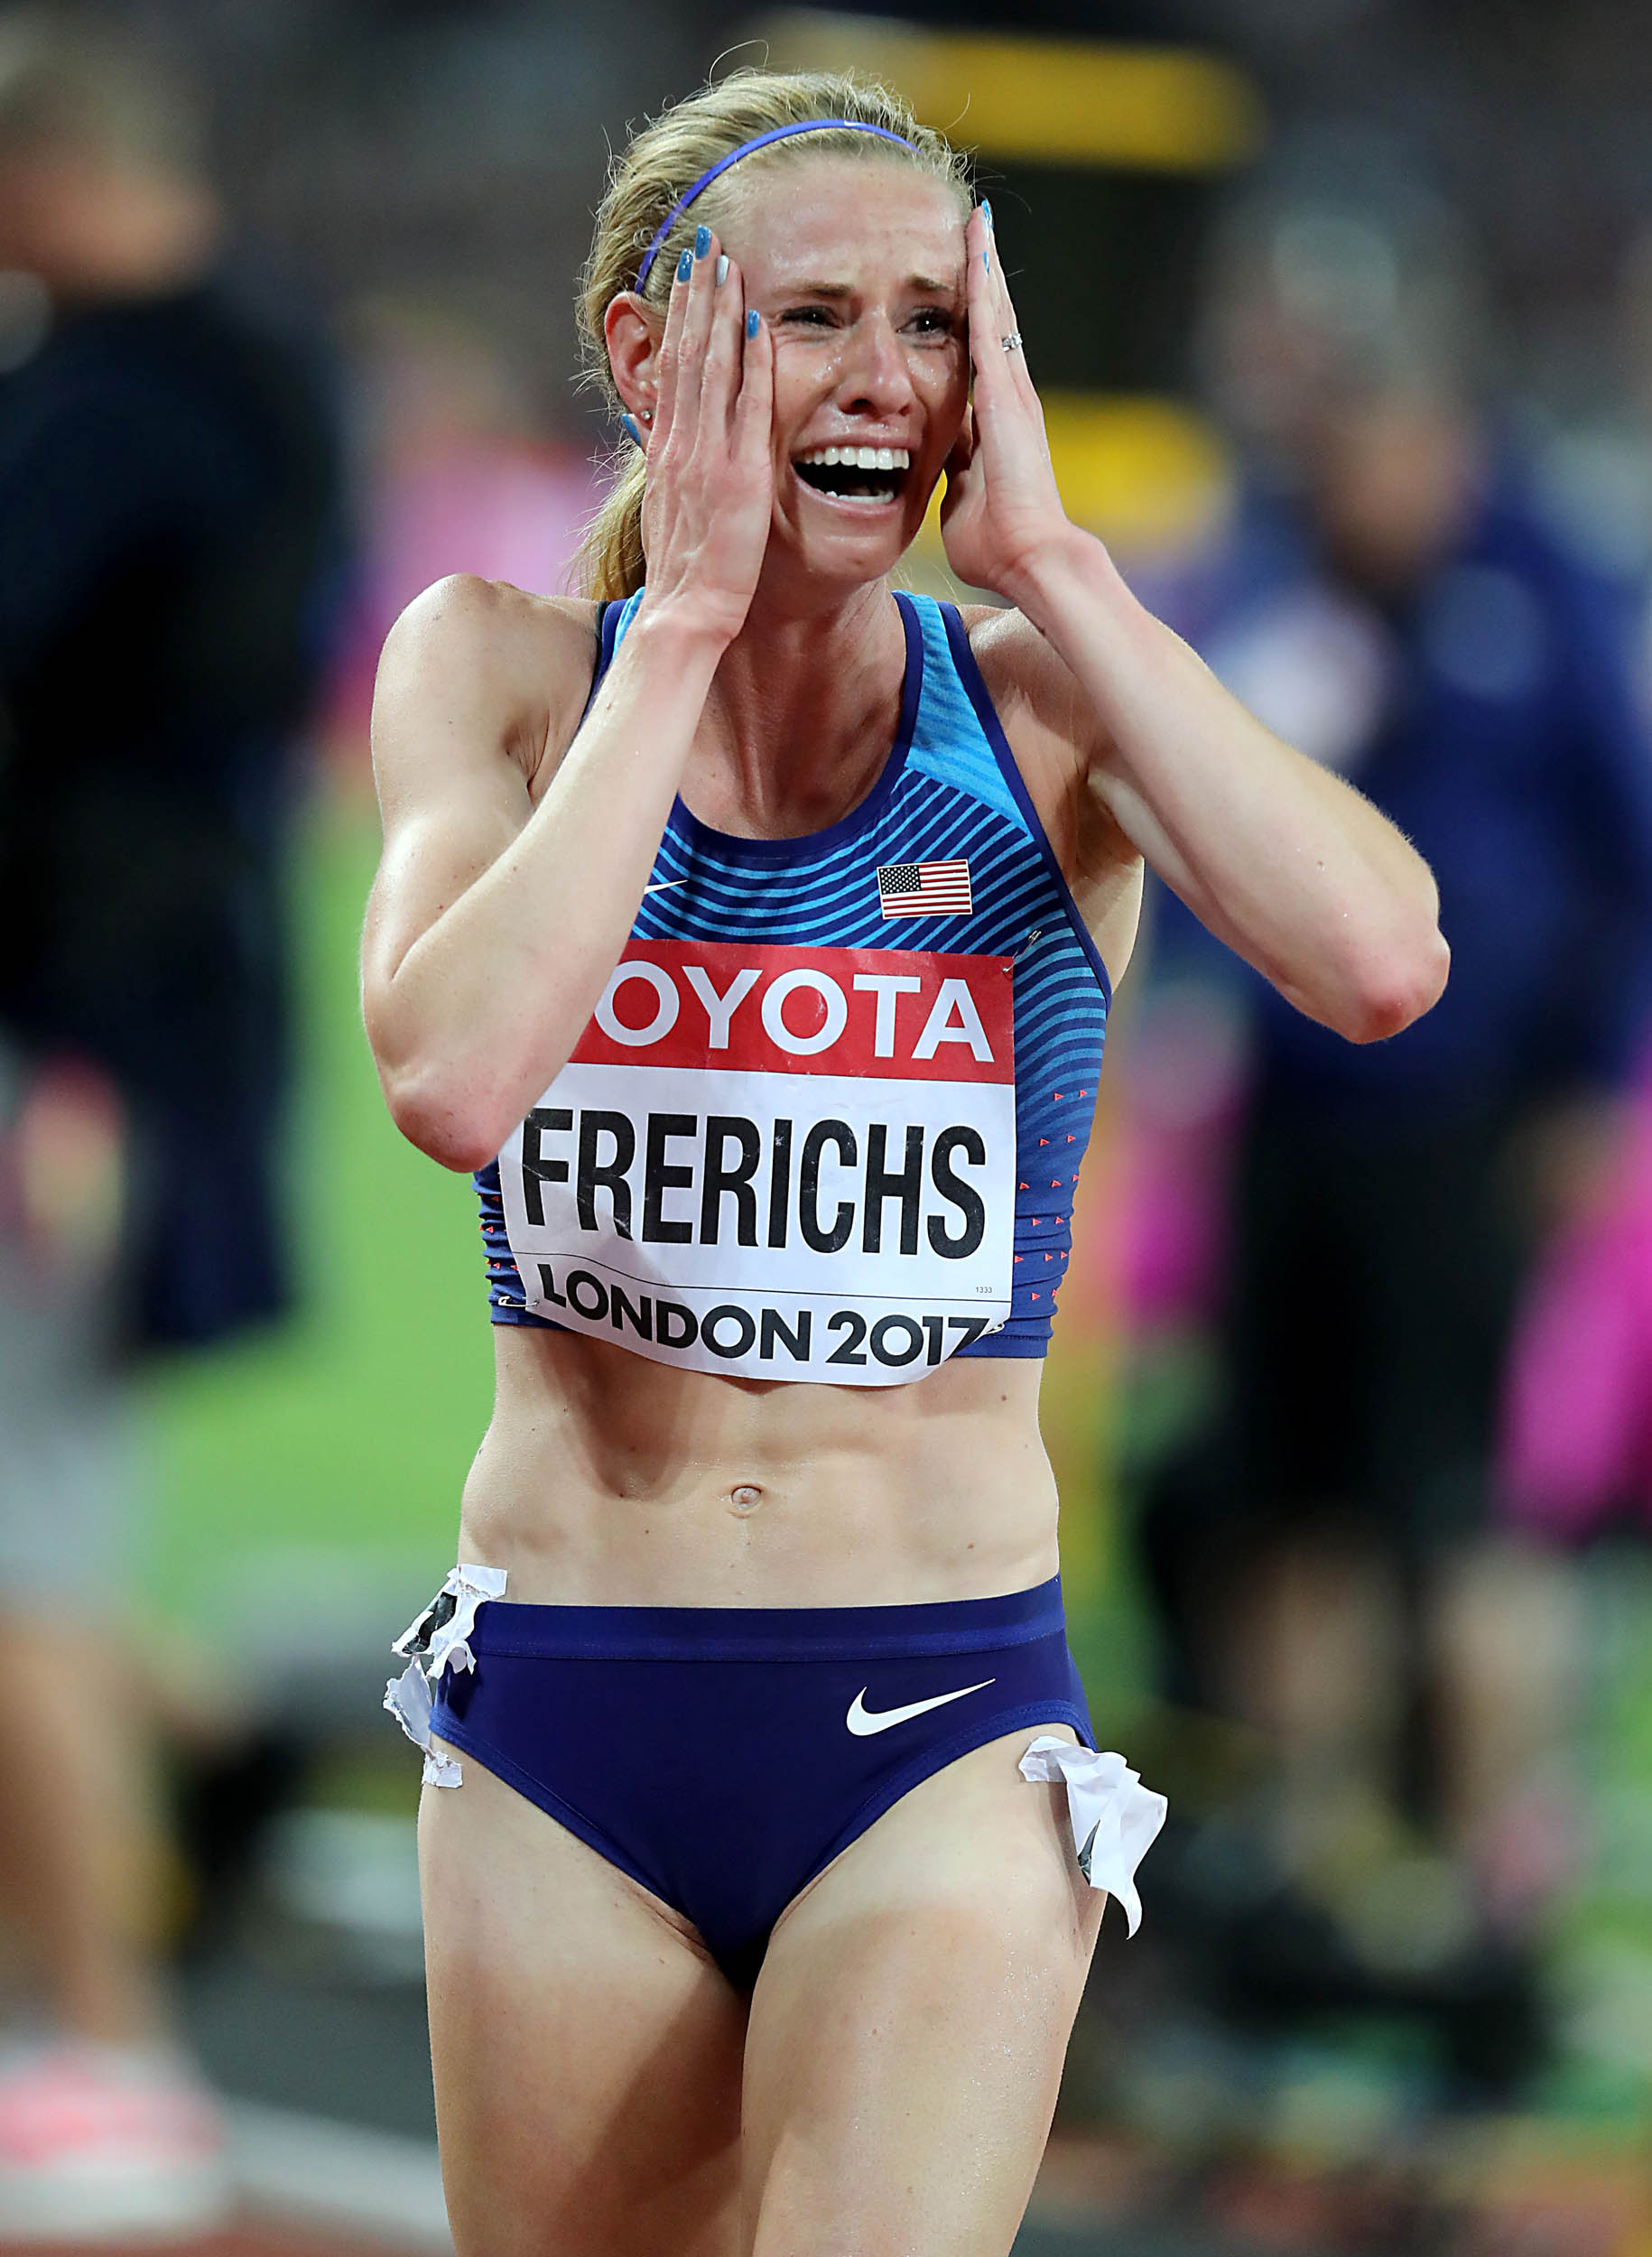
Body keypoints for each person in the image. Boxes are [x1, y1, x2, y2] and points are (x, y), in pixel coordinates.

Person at [369, 70, 1447, 2257]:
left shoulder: (1043, 705)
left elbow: (1376, 959)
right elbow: (458, 1074)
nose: (884, 375)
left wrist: (1056, 563)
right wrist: (680, 631)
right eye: (812, 317)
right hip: (572, 1706)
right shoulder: (501, 674)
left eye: (933, 322)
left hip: (936, 1711)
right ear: (648, 349)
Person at [0, 14, 345, 2234]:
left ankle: (110, 2042)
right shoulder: (260, 361)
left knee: (17, 1549)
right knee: (39, 1530)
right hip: (142, 1016)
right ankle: (218, 1734)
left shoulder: (128, 392)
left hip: (78, 1036)